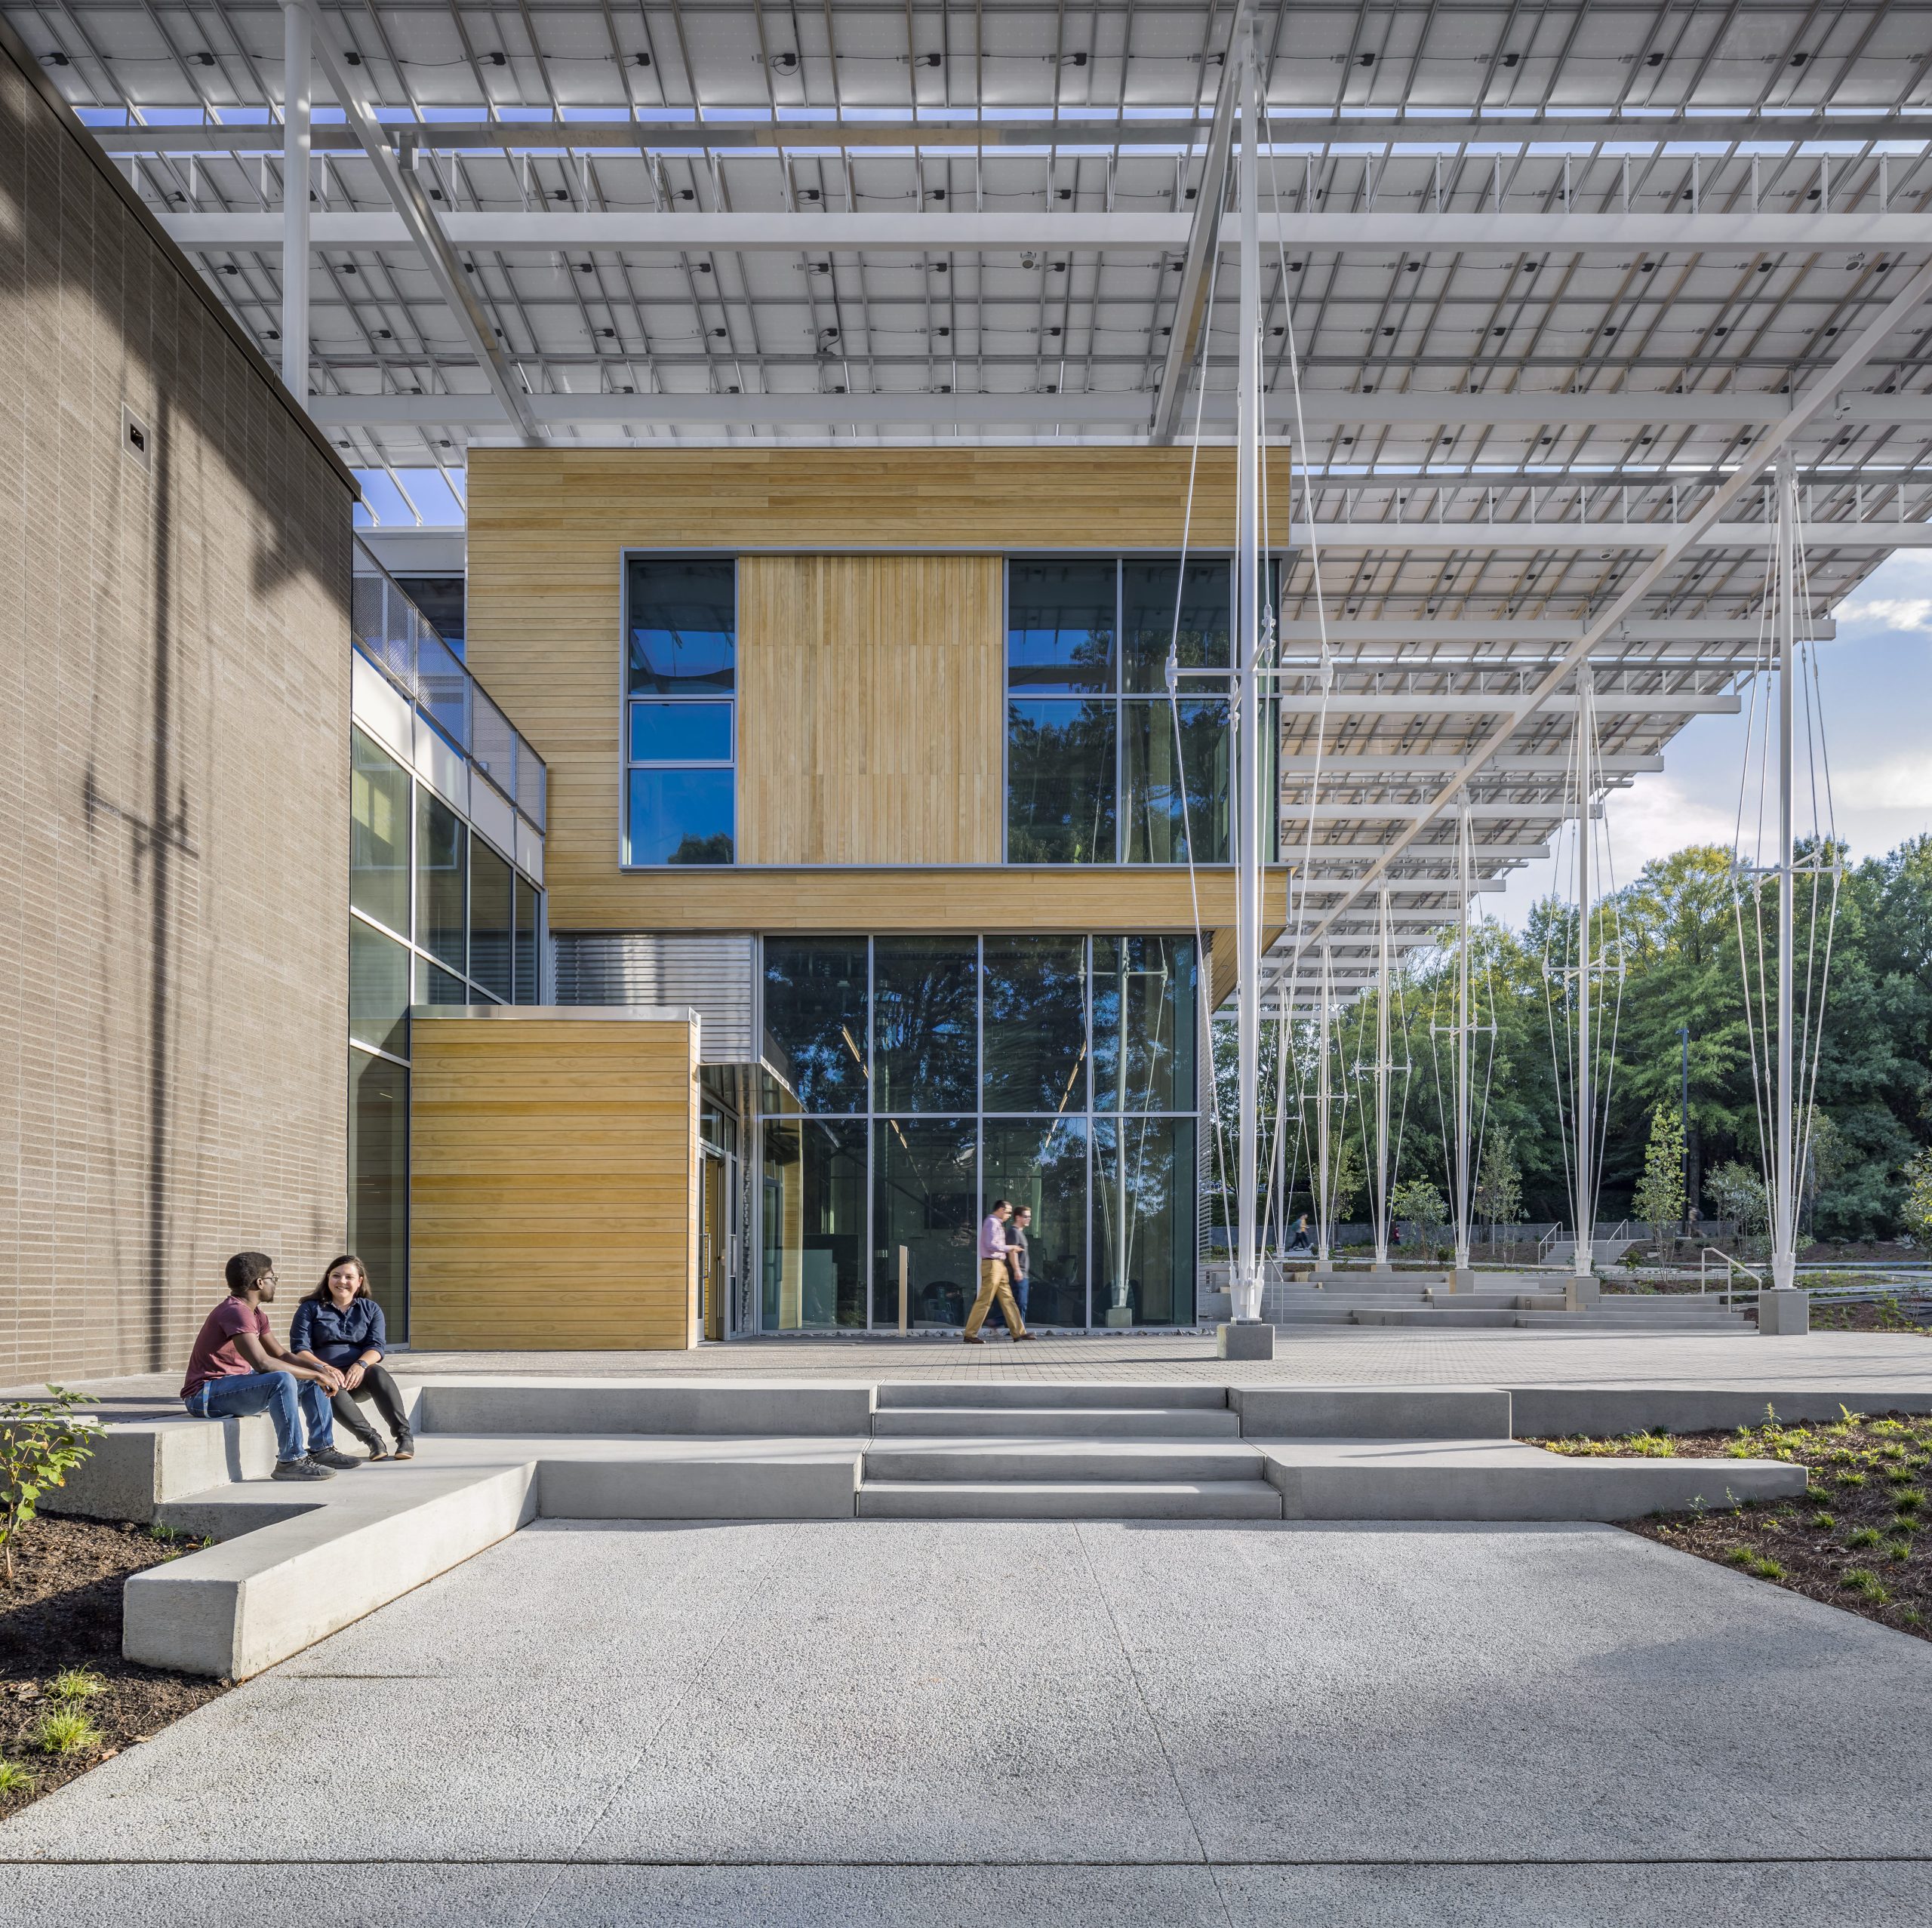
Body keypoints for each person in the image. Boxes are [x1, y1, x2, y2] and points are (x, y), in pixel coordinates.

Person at [179, 1252, 359, 1481]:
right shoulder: (235, 1312)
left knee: (310, 1379)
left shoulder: (256, 1314)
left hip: (230, 1389)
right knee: (282, 1379)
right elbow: (262, 1363)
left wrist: (319, 1370)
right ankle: (291, 1460)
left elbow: (281, 1354)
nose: (275, 1284)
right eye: (273, 1279)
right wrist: (316, 1375)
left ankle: (322, 1449)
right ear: (260, 1283)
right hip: (204, 1397)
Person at [290, 1256, 414, 1462]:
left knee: (378, 1372)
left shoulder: (371, 1309)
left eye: (349, 1277)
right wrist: (324, 1368)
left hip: (358, 1378)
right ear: (328, 1278)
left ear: (359, 1281)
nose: (342, 1281)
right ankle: (373, 1440)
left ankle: (404, 1437)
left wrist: (361, 1364)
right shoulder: (310, 1308)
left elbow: (376, 1347)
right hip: (324, 1376)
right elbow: (299, 1349)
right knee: (327, 1383)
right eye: (336, 1276)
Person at [963, 1200, 1035, 1344]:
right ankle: (970, 1334)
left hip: (999, 1265)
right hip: (992, 1265)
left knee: (1009, 1300)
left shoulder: (997, 1223)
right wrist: (1010, 1248)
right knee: (985, 1301)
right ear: (1001, 1209)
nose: (1009, 1215)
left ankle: (1019, 1332)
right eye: (1008, 1212)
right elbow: (991, 1245)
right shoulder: (991, 1222)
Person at [1006, 1206, 1033, 1324]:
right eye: (1026, 1217)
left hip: (1022, 1274)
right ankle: (1019, 1330)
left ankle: (1016, 1329)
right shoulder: (1014, 1232)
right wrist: (1017, 1270)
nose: (1029, 1219)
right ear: (1018, 1217)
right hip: (1018, 1274)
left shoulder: (1019, 1232)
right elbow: (1012, 1252)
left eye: (1030, 1217)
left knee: (1020, 1304)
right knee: (1021, 1303)